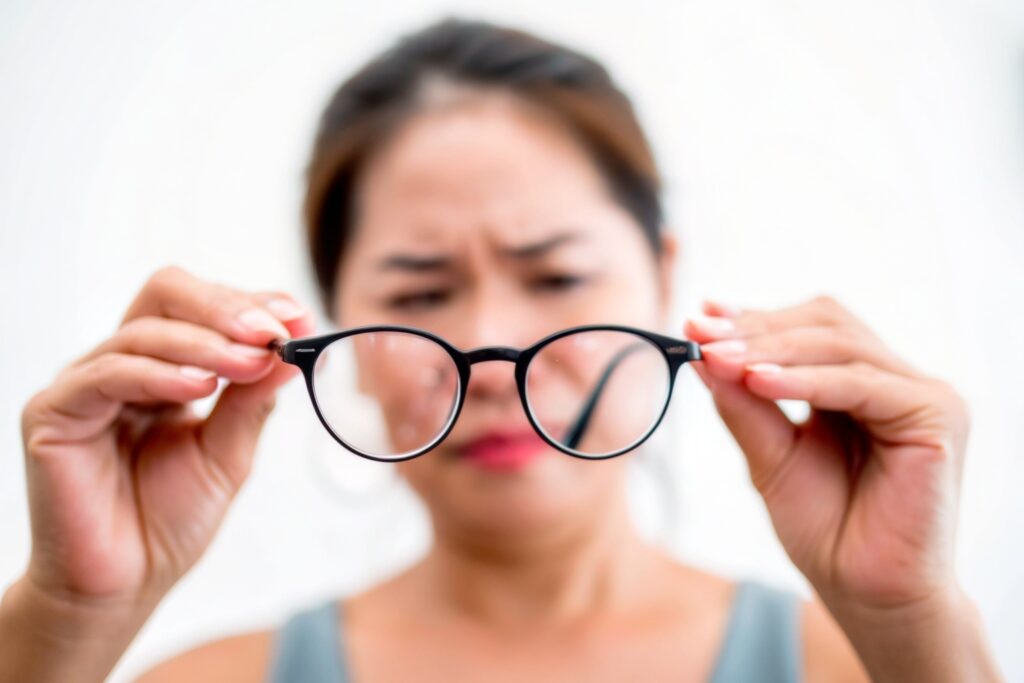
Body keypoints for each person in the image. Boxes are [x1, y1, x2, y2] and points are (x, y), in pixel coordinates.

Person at [1, 17, 1002, 683]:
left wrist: (912, 622)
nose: (485, 350)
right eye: (418, 291)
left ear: (660, 280)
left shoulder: (868, 662)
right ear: (326, 324)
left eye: (557, 277)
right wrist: (66, 613)